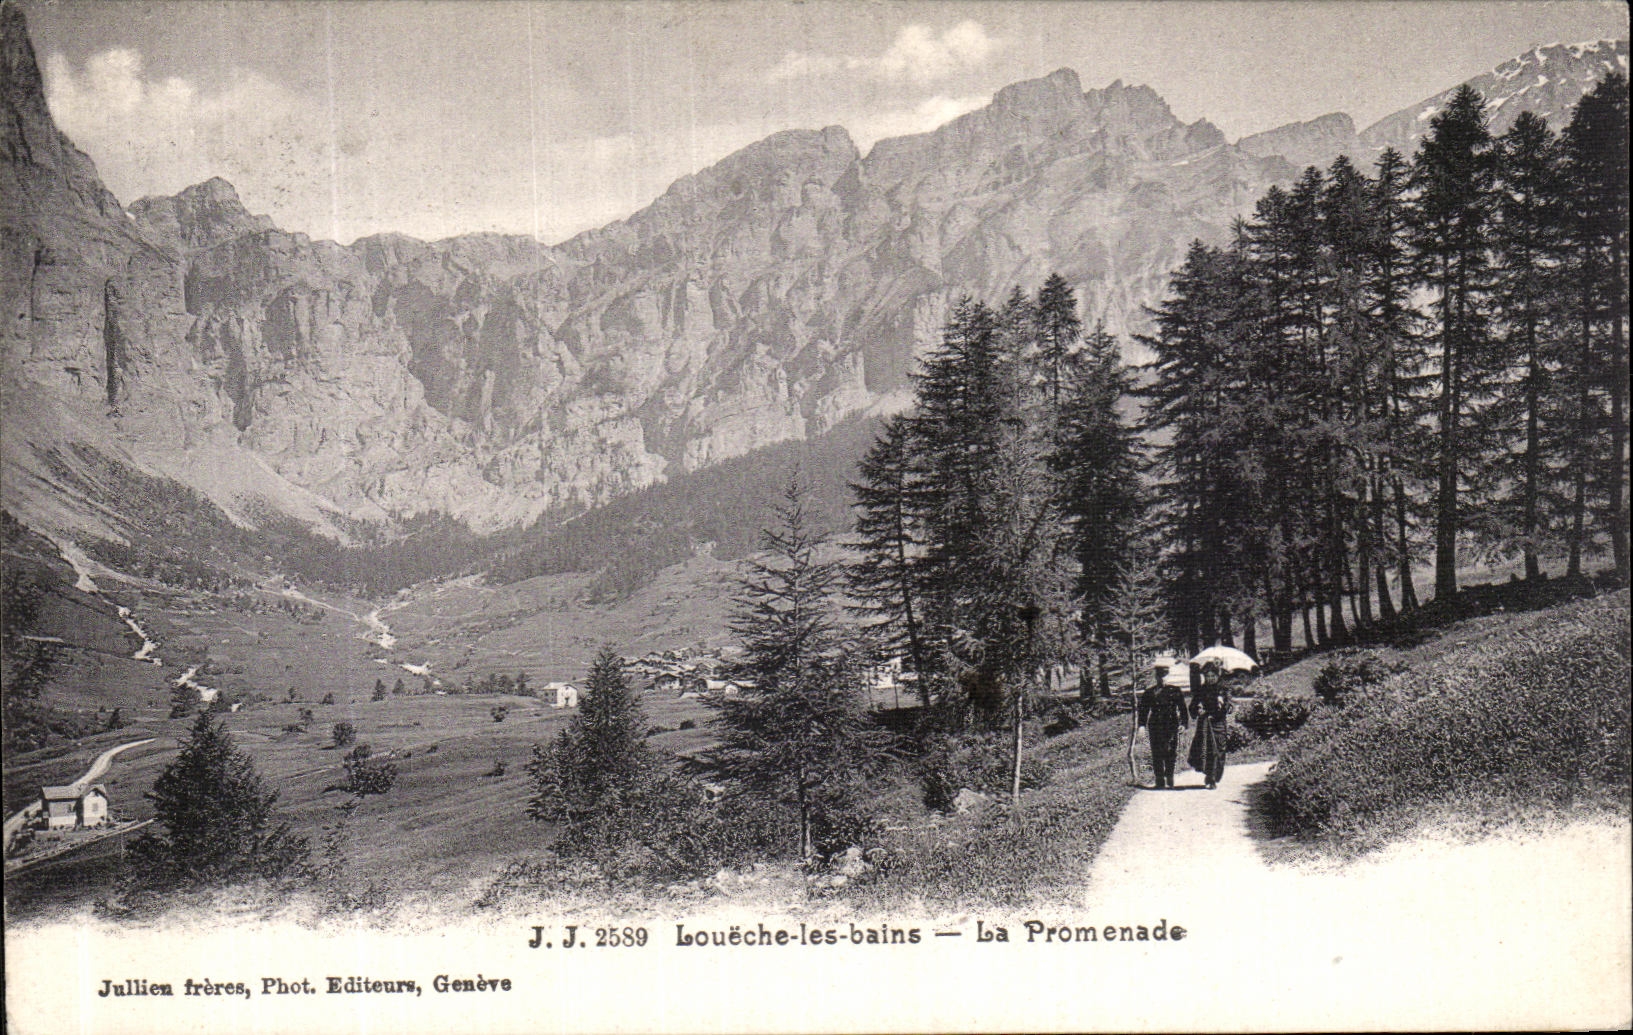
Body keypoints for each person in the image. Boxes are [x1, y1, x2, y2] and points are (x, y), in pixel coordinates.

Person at [1137, 655, 1188, 789]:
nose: (1162, 678)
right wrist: (1141, 726)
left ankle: (1170, 779)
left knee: (1171, 752)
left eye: (1165, 675)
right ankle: (1159, 781)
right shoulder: (1150, 692)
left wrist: (1183, 724)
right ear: (1156, 677)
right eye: (1160, 676)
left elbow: (1183, 709)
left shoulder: (1175, 691)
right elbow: (1143, 710)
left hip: (1171, 724)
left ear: (1168, 675)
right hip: (1155, 725)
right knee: (1156, 753)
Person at [1187, 659, 1231, 789]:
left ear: (1217, 676)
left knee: (1219, 749)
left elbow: (1229, 706)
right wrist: (1198, 710)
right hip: (1205, 724)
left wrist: (1223, 704)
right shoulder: (1202, 689)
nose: (1210, 678)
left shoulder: (1222, 689)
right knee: (1207, 750)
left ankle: (1215, 775)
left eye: (1213, 676)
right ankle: (1210, 777)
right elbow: (1193, 706)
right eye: (1208, 676)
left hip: (1218, 723)